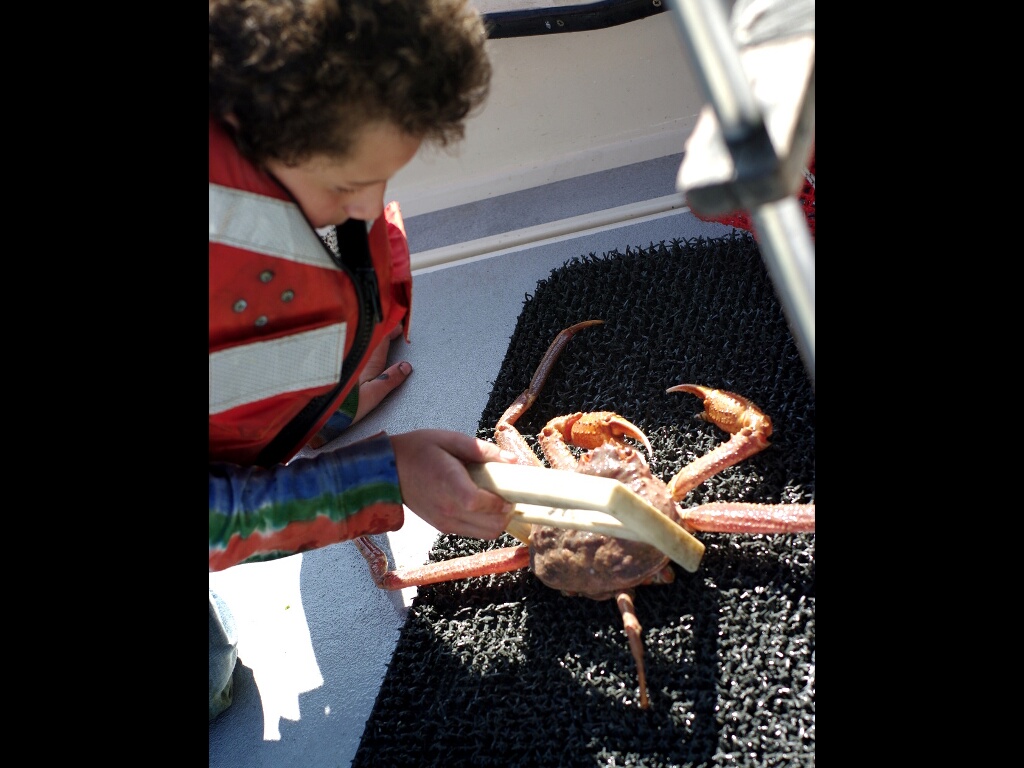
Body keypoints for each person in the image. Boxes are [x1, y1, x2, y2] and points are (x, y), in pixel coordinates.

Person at [209, 0, 518, 722]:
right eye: (348, 187)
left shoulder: (295, 155)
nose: (368, 208)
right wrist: (378, 476)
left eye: (386, 182)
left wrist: (321, 410)